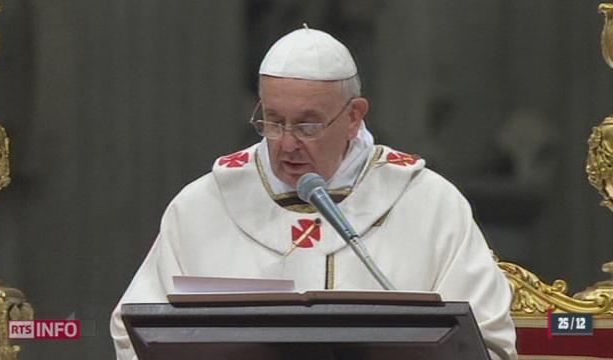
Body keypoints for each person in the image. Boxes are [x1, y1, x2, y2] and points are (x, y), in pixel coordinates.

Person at [110, 26, 517, 359]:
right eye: (272, 122)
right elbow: (134, 332)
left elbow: (488, 344)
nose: (286, 144)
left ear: (354, 116)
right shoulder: (203, 205)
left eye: (307, 126)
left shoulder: (428, 205)